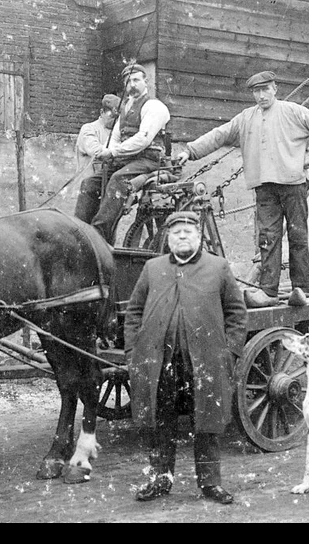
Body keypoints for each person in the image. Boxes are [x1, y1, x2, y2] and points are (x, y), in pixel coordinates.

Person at [175, 71, 309, 308]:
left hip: (293, 184)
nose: (261, 96)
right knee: (267, 238)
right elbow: (219, 135)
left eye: (265, 90)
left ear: (275, 89)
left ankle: (301, 290)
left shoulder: (292, 111)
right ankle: (268, 292)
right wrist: (189, 151)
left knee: (297, 236)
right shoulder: (245, 118)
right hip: (264, 186)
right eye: (256, 91)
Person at [125, 210, 247, 505]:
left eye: (188, 231)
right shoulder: (152, 268)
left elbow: (237, 314)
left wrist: (228, 353)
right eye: (176, 232)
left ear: (198, 237)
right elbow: (133, 313)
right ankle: (159, 481)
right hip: (160, 364)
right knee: (160, 422)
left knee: (205, 422)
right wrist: (133, 353)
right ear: (167, 238)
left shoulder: (217, 267)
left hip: (204, 363)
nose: (182, 236)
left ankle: (210, 484)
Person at [88, 64, 171, 243]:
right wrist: (107, 150)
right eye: (128, 81)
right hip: (128, 160)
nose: (132, 85)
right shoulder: (125, 108)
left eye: (136, 80)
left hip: (150, 159)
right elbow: (116, 137)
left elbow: (143, 139)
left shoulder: (154, 106)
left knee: (118, 179)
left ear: (145, 81)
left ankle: (98, 234)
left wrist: (113, 152)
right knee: (90, 183)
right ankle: (80, 230)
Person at [73, 94, 122, 223]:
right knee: (84, 228)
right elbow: (96, 151)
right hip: (89, 191)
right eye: (112, 116)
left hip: (106, 190)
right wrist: (116, 151)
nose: (114, 121)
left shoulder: (117, 133)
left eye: (117, 119)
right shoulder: (89, 129)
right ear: (102, 112)